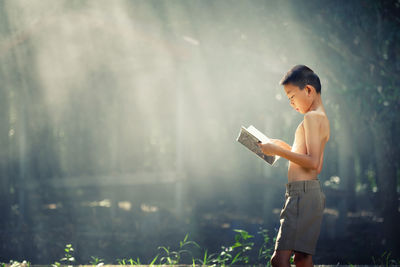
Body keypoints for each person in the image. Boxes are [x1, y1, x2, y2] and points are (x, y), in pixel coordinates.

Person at [257, 65, 330, 267]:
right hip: (308, 193)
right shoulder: (320, 117)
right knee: (302, 258)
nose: (291, 103)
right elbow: (317, 165)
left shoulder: (311, 117)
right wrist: (283, 146)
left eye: (291, 97)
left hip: (302, 195)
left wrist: (278, 151)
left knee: (279, 260)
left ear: (308, 90)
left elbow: (313, 163)